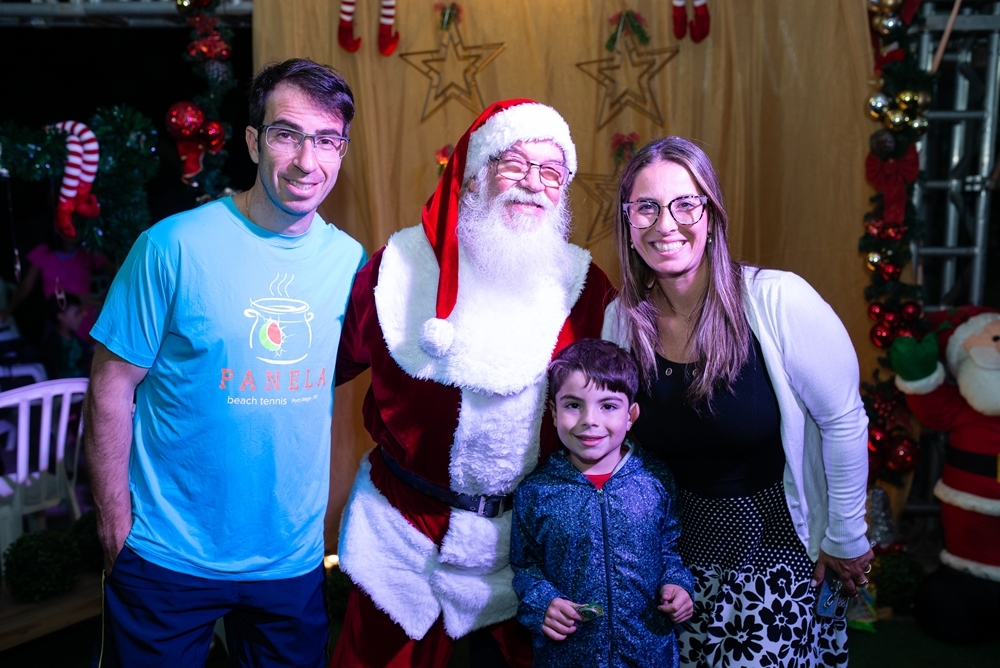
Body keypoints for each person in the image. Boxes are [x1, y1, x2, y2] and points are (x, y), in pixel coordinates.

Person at [85, 58, 366, 667]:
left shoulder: (350, 263)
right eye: (287, 134)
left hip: (289, 560)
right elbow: (110, 386)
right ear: (254, 141)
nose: (307, 161)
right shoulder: (172, 246)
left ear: (342, 151)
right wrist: (113, 524)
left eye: (326, 140)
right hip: (167, 554)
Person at [332, 99, 616, 667]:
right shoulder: (398, 268)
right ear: (472, 175)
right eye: (515, 164)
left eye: (551, 172)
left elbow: (620, 417)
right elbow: (320, 369)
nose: (533, 183)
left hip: (524, 559)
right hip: (399, 543)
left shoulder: (585, 288)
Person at [604, 136, 872, 667]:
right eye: (646, 207)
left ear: (712, 215)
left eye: (685, 204)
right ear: (628, 223)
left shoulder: (777, 299)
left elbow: (843, 420)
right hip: (672, 562)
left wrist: (846, 534)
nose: (665, 224)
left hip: (775, 550)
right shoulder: (622, 321)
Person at [510, 338, 695, 667]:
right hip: (567, 657)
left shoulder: (655, 479)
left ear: (631, 415)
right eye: (573, 405)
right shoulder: (536, 491)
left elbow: (669, 552)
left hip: (650, 654)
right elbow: (525, 567)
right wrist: (543, 604)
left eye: (608, 406)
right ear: (553, 412)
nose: (589, 420)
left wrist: (678, 586)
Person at [0, 227, 109, 341]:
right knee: (57, 347)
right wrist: (8, 310)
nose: (74, 232)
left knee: (86, 348)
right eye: (68, 227)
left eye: (77, 227)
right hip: (57, 318)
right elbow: (26, 285)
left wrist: (100, 301)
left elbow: (117, 274)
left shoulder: (89, 251)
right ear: (57, 228)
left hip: (84, 316)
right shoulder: (43, 252)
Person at [42, 292, 91, 379]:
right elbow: (54, 372)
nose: (81, 317)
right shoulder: (52, 343)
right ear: (60, 316)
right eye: (77, 313)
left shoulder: (75, 338)